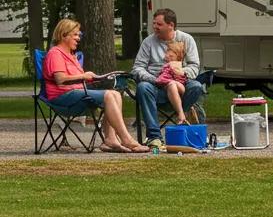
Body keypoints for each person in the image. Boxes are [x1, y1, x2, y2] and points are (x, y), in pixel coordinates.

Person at [42, 18, 149, 153]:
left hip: (77, 93)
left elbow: (78, 80)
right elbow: (60, 79)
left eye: (79, 35)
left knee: (115, 93)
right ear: (64, 35)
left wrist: (94, 78)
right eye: (75, 35)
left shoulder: (71, 55)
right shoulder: (55, 54)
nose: (78, 38)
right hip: (62, 96)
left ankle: (110, 139)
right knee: (109, 95)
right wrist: (83, 76)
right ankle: (126, 139)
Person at [132, 8, 204, 147]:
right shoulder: (148, 42)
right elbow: (137, 68)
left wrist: (179, 73)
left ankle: (180, 118)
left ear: (170, 25)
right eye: (154, 24)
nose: (154, 27)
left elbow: (194, 66)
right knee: (143, 87)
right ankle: (154, 136)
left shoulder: (186, 39)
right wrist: (154, 79)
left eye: (159, 24)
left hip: (179, 86)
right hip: (156, 87)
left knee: (196, 87)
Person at [155, 40, 189, 124]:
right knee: (172, 84)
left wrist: (158, 80)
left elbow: (162, 79)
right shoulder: (171, 65)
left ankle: (180, 113)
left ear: (178, 57)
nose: (167, 56)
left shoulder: (172, 66)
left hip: (179, 86)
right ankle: (181, 113)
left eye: (171, 56)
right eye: (167, 54)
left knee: (171, 84)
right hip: (177, 86)